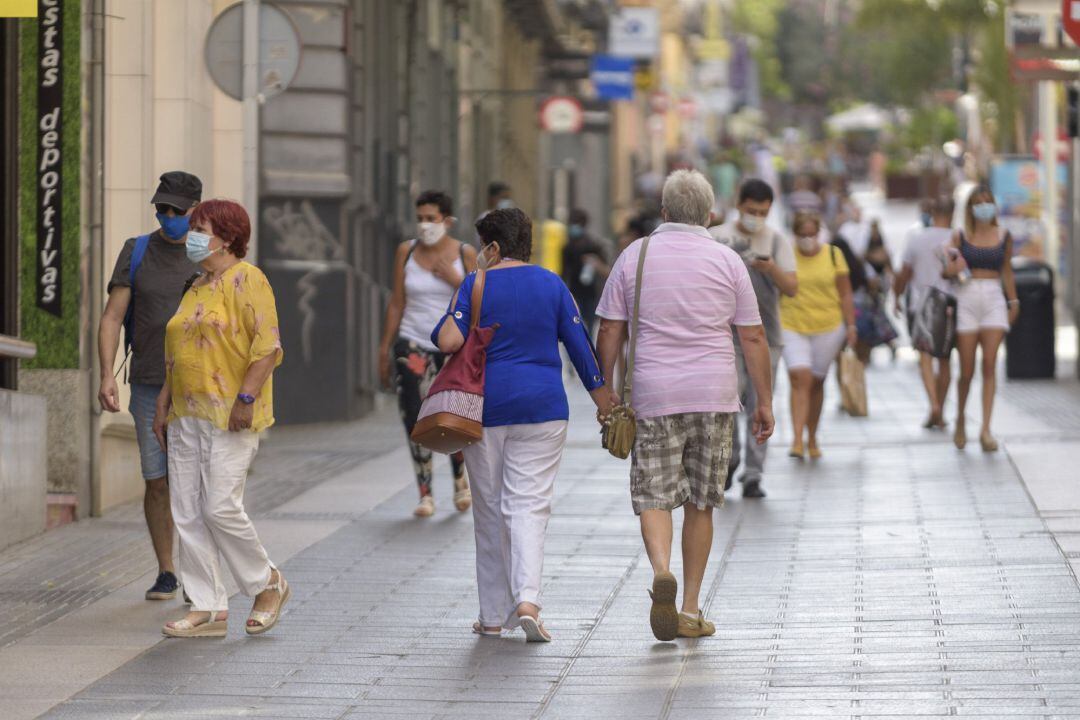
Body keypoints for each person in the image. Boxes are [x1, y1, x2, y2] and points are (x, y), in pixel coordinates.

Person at [596, 170, 775, 642]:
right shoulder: (728, 260)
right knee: (702, 501)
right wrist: (766, 403)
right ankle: (691, 609)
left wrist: (605, 390)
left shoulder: (636, 255)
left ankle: (660, 571)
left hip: (654, 395)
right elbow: (753, 336)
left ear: (664, 212)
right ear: (711, 215)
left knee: (653, 493)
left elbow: (610, 329)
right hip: (714, 393)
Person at [433, 208, 617, 643]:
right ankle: (528, 600)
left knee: (490, 508)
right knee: (529, 505)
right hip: (543, 409)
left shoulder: (475, 283)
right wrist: (603, 400)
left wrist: (460, 301)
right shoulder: (553, 285)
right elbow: (579, 346)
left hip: (485, 409)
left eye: (483, 246)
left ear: (493, 248)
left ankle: (493, 616)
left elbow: (447, 340)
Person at [153, 199, 287, 638]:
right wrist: (164, 404)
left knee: (219, 507)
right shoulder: (195, 285)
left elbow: (266, 346)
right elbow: (177, 352)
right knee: (187, 510)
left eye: (200, 228)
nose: (192, 236)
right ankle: (208, 606)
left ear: (226, 237)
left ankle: (266, 582)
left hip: (230, 411)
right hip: (185, 412)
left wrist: (246, 397)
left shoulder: (249, 279)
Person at [97, 170, 202, 602]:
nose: (169, 216)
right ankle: (166, 570)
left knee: (194, 483)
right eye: (163, 209)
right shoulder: (137, 250)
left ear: (196, 210)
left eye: (178, 210)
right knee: (157, 480)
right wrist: (106, 375)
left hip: (198, 386)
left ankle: (199, 575)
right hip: (146, 383)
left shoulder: (209, 254)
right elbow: (112, 317)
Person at [379, 191, 477, 517]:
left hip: (452, 346)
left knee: (452, 416)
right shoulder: (405, 252)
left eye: (431, 218)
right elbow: (397, 301)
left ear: (447, 221)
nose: (425, 224)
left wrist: (455, 280)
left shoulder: (465, 254)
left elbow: (479, 300)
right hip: (412, 343)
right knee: (414, 416)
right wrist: (385, 346)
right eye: (420, 217)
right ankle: (425, 492)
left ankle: (460, 482)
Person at [710, 178, 797, 499]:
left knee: (761, 403)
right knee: (728, 401)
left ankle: (753, 473)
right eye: (751, 210)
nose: (756, 217)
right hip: (724, 335)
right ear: (738, 204)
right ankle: (729, 459)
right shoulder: (716, 237)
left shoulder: (776, 241)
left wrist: (770, 269)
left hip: (766, 335)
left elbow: (791, 288)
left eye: (762, 212)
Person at [944, 186, 1019, 452]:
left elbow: (1007, 269)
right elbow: (947, 270)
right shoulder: (960, 235)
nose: (983, 207)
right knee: (966, 370)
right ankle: (961, 418)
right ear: (969, 209)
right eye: (978, 203)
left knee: (989, 364)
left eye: (987, 202)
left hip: (993, 298)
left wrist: (1013, 300)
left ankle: (986, 429)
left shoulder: (1004, 235)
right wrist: (952, 267)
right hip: (966, 297)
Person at [780, 213, 857, 459]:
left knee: (816, 383)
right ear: (795, 234)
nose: (808, 239)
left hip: (829, 326)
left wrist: (852, 326)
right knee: (799, 377)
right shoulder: (786, 255)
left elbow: (845, 293)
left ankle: (811, 437)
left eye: (812, 234)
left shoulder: (834, 255)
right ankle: (796, 438)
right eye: (802, 234)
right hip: (792, 323)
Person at [894, 197, 955, 429]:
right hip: (950, 305)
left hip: (919, 305)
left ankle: (934, 405)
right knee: (946, 359)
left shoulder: (917, 239)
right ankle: (941, 406)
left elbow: (904, 273)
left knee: (925, 357)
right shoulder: (957, 238)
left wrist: (897, 296)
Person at [560, 208, 611, 336]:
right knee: (575, 326)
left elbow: (607, 270)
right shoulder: (567, 247)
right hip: (574, 292)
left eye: (575, 223)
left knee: (590, 327)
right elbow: (564, 271)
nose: (572, 227)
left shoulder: (593, 245)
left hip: (591, 293)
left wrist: (595, 263)